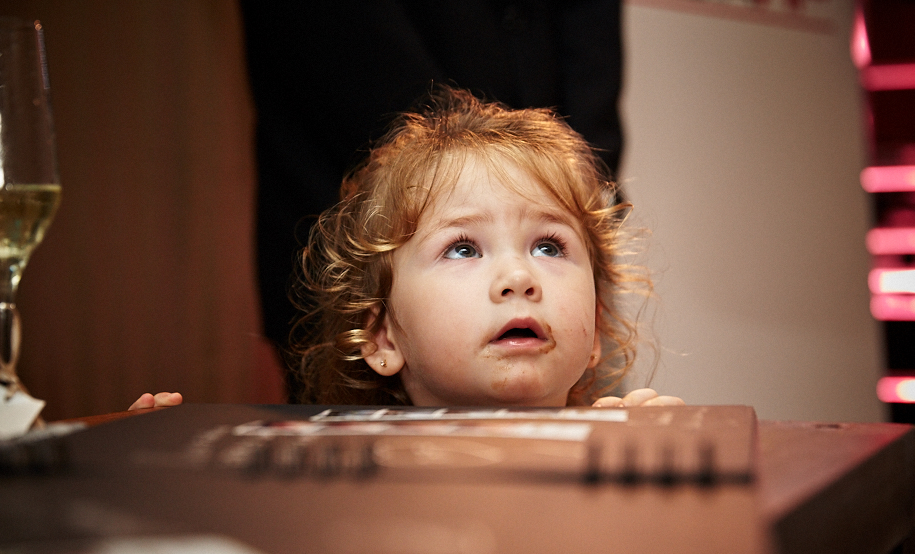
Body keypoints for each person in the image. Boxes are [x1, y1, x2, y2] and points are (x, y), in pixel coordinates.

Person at [132, 88, 679, 410]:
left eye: (549, 246)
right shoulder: (332, 478)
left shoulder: (619, 452)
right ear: (381, 336)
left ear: (596, 330)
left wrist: (665, 476)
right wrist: (144, 472)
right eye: (463, 249)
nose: (518, 276)